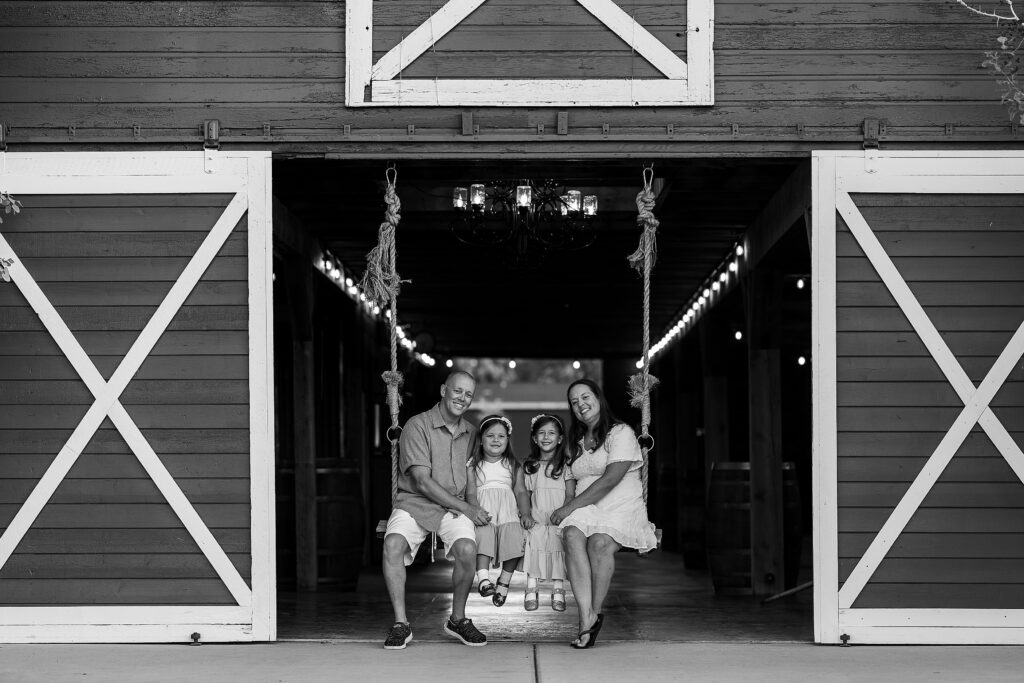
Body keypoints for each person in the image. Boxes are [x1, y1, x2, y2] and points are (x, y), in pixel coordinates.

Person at [381, 370, 491, 650]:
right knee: (392, 544)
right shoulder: (418, 426)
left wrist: (474, 507)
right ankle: (400, 624)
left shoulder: (471, 433)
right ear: (443, 390)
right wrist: (464, 506)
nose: (462, 398)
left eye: (468, 394)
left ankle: (457, 619)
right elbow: (421, 481)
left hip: (453, 506)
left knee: (467, 549)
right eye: (457, 391)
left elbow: (470, 478)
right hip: (416, 501)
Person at [551, 379, 658, 649]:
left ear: (599, 398)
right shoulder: (575, 441)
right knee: (572, 534)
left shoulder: (620, 432)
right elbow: (568, 479)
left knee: (599, 544)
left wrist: (568, 508)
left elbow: (611, 479)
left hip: (620, 506)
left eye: (585, 397)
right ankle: (585, 616)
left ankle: (592, 615)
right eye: (574, 402)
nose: (580, 405)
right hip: (588, 508)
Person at [466, 414, 527, 607]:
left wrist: (525, 513)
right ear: (481, 440)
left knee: (515, 540)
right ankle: (483, 579)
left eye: (501, 436)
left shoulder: (514, 464)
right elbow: (471, 493)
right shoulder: (473, 465)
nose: (496, 440)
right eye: (490, 435)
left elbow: (520, 491)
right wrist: (476, 510)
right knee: (482, 536)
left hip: (508, 510)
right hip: (485, 510)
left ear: (508, 440)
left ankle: (503, 582)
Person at [519, 413, 575, 612]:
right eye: (541, 433)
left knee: (558, 544)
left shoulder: (566, 466)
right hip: (538, 514)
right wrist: (525, 514)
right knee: (535, 541)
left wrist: (564, 512)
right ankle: (531, 586)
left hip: (559, 515)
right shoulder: (530, 466)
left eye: (551, 433)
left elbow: (570, 494)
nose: (546, 437)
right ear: (534, 438)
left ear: (560, 438)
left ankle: (558, 588)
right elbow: (525, 493)